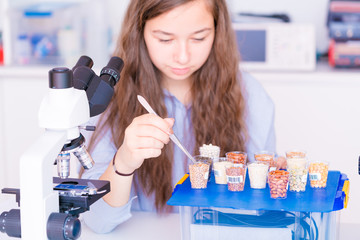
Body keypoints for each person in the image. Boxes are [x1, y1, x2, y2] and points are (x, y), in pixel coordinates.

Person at [81, 0, 285, 233]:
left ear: (218, 32)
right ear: (140, 32)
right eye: (165, 39)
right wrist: (124, 162)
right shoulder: (109, 97)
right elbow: (98, 222)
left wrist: (274, 179)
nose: (183, 57)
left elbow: (263, 209)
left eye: (199, 38)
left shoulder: (250, 96)